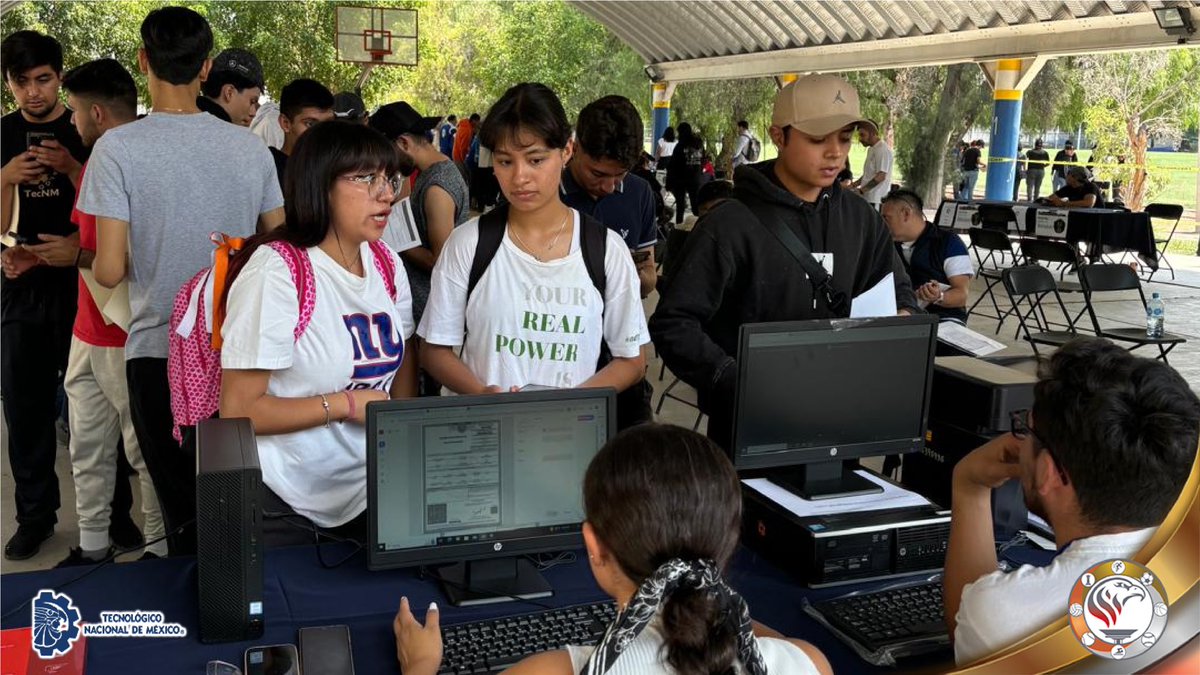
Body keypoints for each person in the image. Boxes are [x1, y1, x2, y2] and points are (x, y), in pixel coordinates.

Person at [83, 6, 286, 556]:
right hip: (242, 354)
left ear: (143, 59)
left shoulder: (117, 149)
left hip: (158, 354)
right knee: (241, 513)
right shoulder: (250, 149)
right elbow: (282, 246)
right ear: (207, 68)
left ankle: (197, 631)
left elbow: (109, 268)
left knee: (183, 519)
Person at [394, 424, 834, 675]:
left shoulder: (552, 673)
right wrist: (704, 604)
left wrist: (422, 664)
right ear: (729, 540)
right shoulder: (809, 664)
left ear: (593, 546)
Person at [649, 74, 919, 451]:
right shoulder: (730, 224)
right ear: (778, 136)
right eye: (817, 139)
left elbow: (898, 292)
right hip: (746, 431)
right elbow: (673, 323)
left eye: (844, 138)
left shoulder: (861, 219)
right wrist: (736, 381)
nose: (835, 153)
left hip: (839, 425)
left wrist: (899, 323)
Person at [219, 121, 417, 544]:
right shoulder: (278, 271)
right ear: (319, 184)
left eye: (390, 178)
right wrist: (344, 405)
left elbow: (400, 367)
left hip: (369, 489)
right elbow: (239, 409)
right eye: (366, 178)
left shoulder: (386, 263)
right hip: (287, 499)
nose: (387, 194)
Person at [944, 338, 1200, 666]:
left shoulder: (1007, 616)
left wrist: (970, 487)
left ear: (1050, 473)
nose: (1019, 444)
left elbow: (969, 633)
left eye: (1026, 431)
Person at [418, 82, 647, 396]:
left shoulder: (607, 252)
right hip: (484, 434)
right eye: (505, 161)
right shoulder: (468, 244)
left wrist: (567, 405)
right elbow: (434, 350)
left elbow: (632, 360)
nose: (520, 177)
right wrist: (483, 394)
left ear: (567, 150)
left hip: (568, 436)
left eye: (536, 160)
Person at [51, 58, 168, 566]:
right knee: (89, 447)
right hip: (89, 327)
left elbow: (111, 262)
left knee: (142, 451)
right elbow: (93, 238)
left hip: (128, 331)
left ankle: (160, 551)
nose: (71, 122)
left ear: (95, 112)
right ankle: (94, 544)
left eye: (74, 112)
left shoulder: (124, 158)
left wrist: (71, 256)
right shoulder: (101, 160)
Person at [0, 29, 90, 560]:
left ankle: (115, 515)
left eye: (43, 79)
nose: (33, 93)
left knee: (95, 409)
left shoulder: (84, 128)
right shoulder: (3, 135)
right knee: (26, 408)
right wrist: (6, 177)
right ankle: (35, 517)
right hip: (18, 288)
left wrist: (72, 169)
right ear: (8, 84)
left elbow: (112, 215)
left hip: (83, 284)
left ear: (59, 76)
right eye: (21, 82)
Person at [370, 101, 469, 327]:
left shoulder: (437, 188)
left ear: (403, 143)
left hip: (427, 313)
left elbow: (441, 261)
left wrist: (398, 241)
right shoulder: (433, 170)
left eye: (386, 153)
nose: (385, 162)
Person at [562, 95, 658, 299]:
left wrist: (628, 273)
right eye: (597, 174)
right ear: (574, 148)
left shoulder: (640, 193)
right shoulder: (546, 193)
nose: (608, 187)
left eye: (620, 174)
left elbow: (649, 276)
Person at [881, 189, 973, 324]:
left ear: (906, 214)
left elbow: (962, 295)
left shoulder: (949, 243)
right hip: (899, 317)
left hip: (942, 318)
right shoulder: (886, 245)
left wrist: (939, 296)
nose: (882, 224)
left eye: (886, 218)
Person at [270, 78, 335, 192]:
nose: (322, 132)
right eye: (310, 124)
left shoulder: (335, 171)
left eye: (328, 123)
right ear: (285, 123)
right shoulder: (268, 172)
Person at [197, 48, 264, 126]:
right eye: (252, 101)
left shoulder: (183, 116)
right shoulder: (234, 136)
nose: (253, 113)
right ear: (229, 93)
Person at [664, 122, 704, 225]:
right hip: (695, 178)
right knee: (695, 205)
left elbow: (673, 164)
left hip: (681, 179)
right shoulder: (698, 143)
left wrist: (669, 181)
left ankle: (679, 228)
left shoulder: (680, 145)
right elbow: (703, 159)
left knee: (680, 206)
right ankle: (699, 226)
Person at [850, 121, 893, 210]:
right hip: (868, 198)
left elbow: (881, 176)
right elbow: (868, 174)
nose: (860, 139)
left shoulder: (882, 149)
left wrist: (862, 190)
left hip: (876, 199)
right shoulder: (872, 149)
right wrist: (853, 185)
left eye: (863, 135)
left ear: (873, 133)